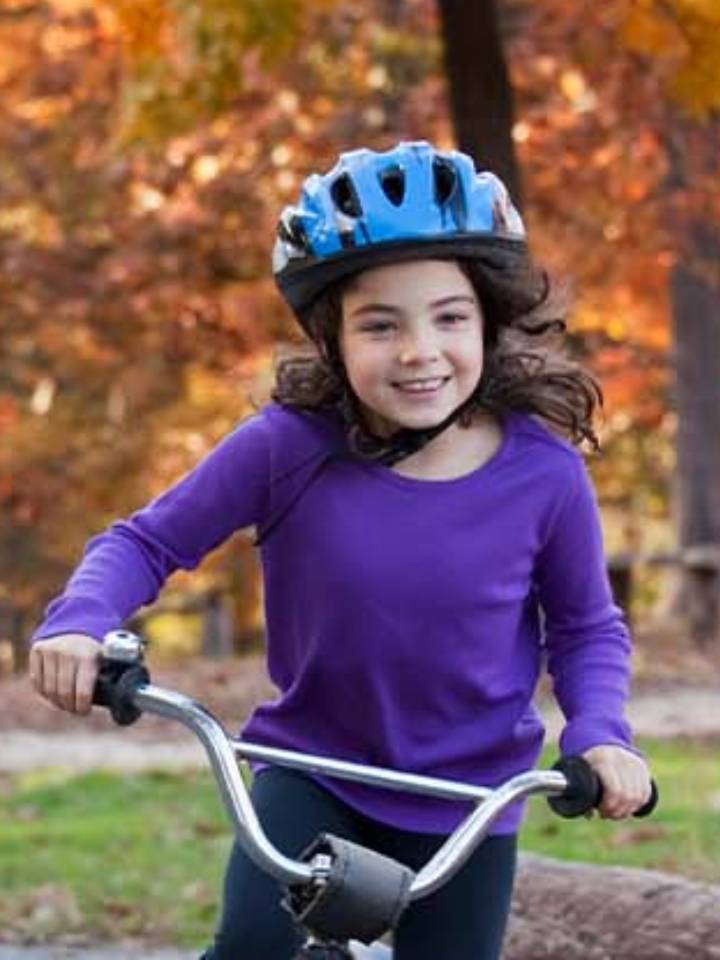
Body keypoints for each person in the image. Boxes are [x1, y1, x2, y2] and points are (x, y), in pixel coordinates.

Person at [29, 141, 652, 960]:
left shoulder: (543, 473)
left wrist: (601, 732)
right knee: (256, 946)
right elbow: (144, 542)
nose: (418, 351)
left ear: (489, 321)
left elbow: (584, 627)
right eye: (379, 324)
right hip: (312, 770)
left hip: (470, 797)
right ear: (333, 339)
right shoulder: (288, 448)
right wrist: (81, 620)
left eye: (449, 317)